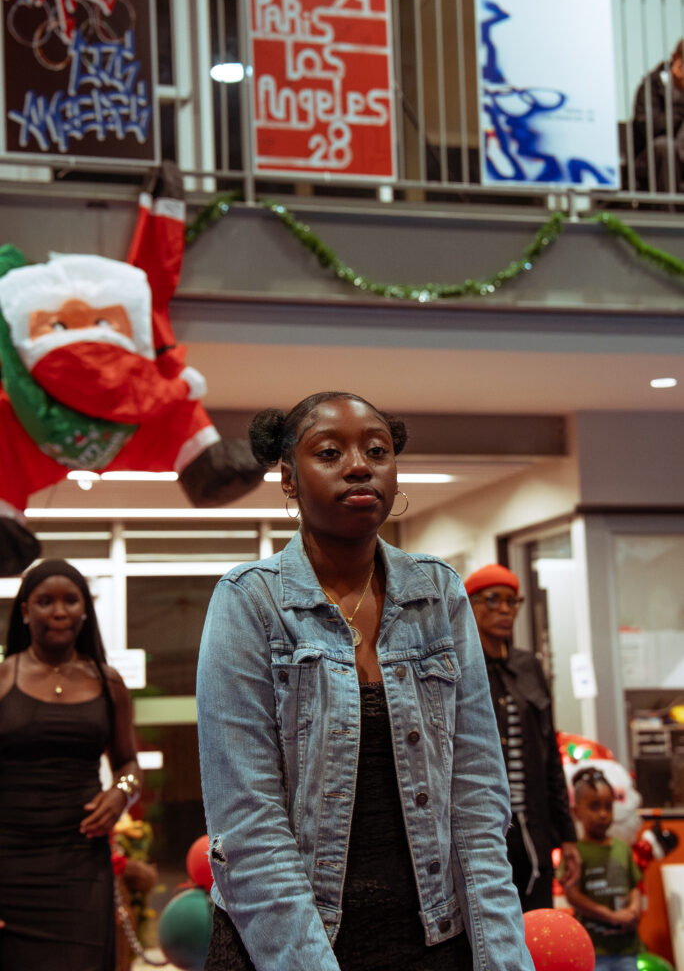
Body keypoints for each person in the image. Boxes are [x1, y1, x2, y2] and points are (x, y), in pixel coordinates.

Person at [197, 391, 534, 971]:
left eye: (377, 451)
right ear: (288, 477)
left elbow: (478, 800)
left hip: (436, 939)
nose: (359, 466)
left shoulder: (439, 593)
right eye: (329, 452)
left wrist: (504, 957)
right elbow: (249, 826)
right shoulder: (250, 601)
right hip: (292, 942)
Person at [0, 559, 142, 970]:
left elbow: (128, 763)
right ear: (25, 611)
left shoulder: (108, 683)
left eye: (70, 600)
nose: (59, 611)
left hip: (82, 864)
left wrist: (120, 793)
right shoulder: (4, 679)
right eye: (45, 601)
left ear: (85, 610)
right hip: (10, 864)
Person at [464, 562, 580, 911]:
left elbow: (550, 756)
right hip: (483, 832)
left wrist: (568, 836)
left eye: (512, 601)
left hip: (535, 829)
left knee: (539, 925)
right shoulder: (459, 667)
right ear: (470, 605)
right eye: (493, 599)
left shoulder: (528, 666)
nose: (505, 609)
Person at [565, 767, 643, 970]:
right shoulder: (575, 852)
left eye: (608, 806)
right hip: (594, 949)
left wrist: (633, 909)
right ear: (576, 812)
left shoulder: (622, 847)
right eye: (594, 807)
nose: (603, 814)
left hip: (627, 948)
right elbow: (572, 895)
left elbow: (634, 886)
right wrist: (610, 915)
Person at [632, 38, 684, 192]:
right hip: (653, 157)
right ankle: (669, 206)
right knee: (665, 147)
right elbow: (648, 127)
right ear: (675, 59)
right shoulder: (653, 85)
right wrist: (679, 103)